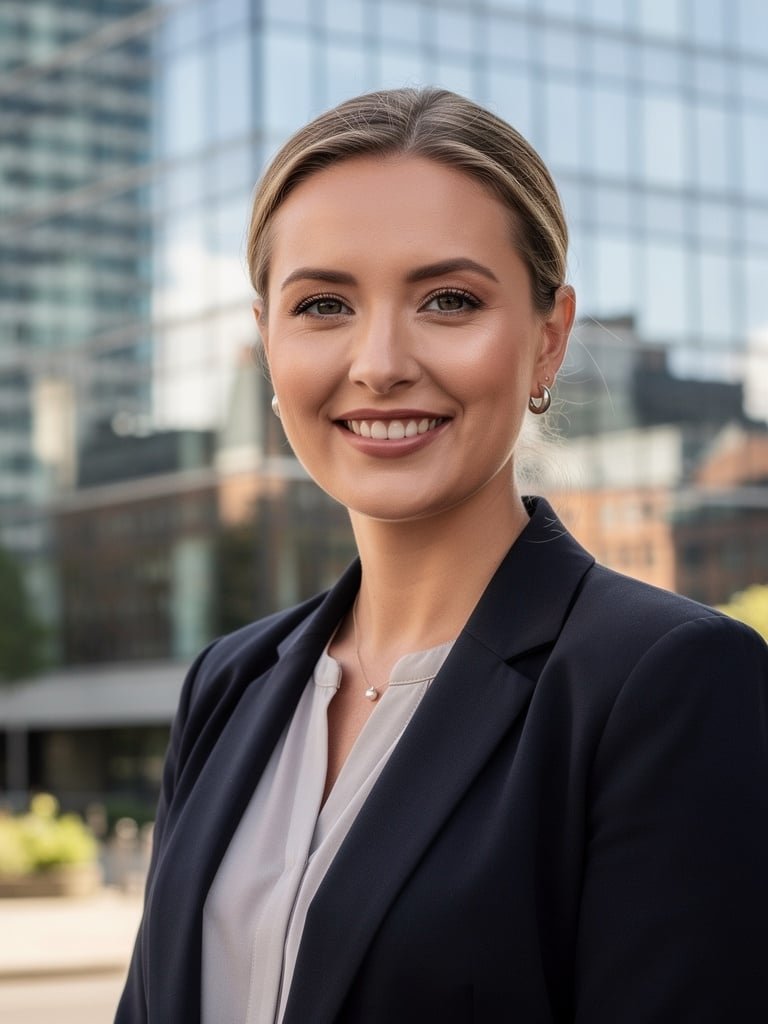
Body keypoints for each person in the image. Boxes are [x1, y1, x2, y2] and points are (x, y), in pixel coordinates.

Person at [116, 88, 768, 1024]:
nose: (379, 361)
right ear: (268, 344)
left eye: (449, 300)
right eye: (324, 303)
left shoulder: (666, 682)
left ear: (548, 339)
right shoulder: (230, 683)